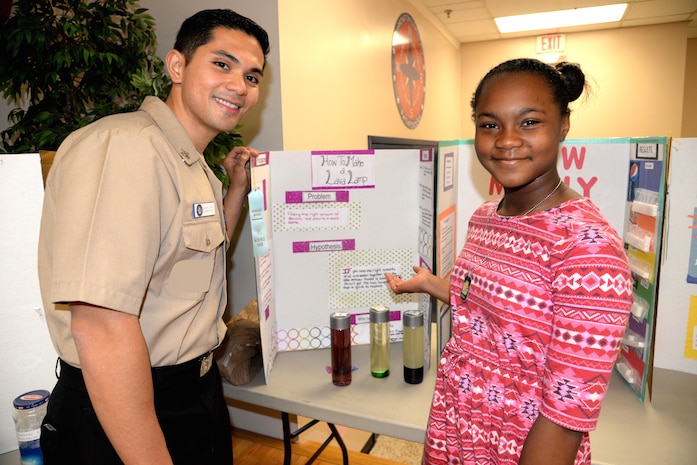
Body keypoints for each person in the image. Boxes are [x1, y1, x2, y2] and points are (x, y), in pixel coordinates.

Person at [37, 9, 270, 465]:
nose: (240, 86)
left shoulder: (193, 163)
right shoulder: (125, 148)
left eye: (252, 75)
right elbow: (101, 325)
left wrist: (237, 189)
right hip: (126, 406)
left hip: (194, 393)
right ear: (177, 66)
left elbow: (192, 258)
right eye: (222, 64)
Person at [386, 58, 633, 465]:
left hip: (522, 441)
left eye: (529, 122)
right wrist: (431, 283)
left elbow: (564, 415)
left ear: (564, 124)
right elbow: (494, 306)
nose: (506, 140)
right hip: (457, 421)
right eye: (489, 125)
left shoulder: (587, 249)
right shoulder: (485, 217)